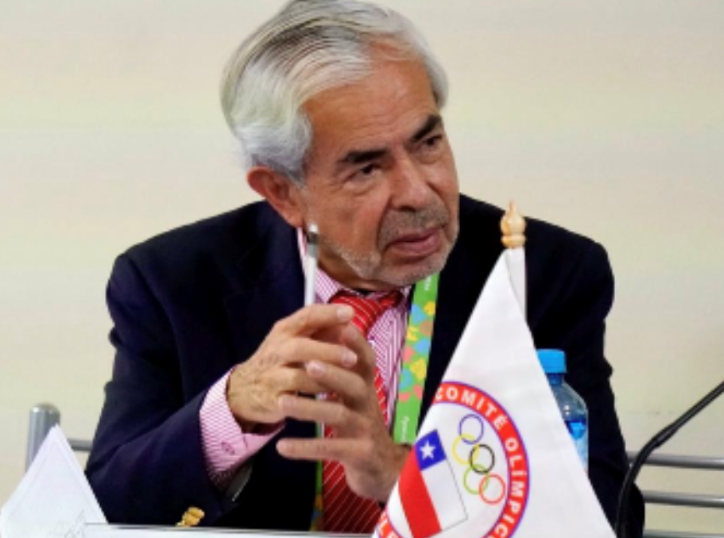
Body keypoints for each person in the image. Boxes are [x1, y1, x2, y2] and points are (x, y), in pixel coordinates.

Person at [86, 0, 644, 535]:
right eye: (367, 169)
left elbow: (610, 514)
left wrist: (405, 476)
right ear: (283, 192)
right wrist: (230, 411)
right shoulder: (173, 283)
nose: (418, 192)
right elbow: (103, 513)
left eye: (428, 143)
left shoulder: (541, 274)